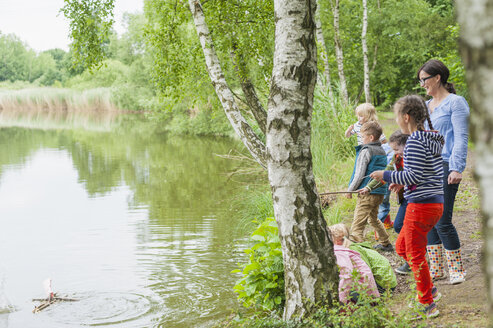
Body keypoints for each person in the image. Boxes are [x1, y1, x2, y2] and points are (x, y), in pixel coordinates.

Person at [370, 95, 444, 318]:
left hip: (420, 205)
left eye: (396, 115)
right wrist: (398, 179)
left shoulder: (413, 141)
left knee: (414, 253)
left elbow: (414, 175)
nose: (396, 120)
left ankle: (427, 303)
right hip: (434, 203)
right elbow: (422, 173)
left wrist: (385, 174)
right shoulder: (430, 137)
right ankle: (429, 288)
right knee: (403, 248)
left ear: (406, 117)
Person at [417, 59, 469, 285]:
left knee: (442, 220)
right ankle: (437, 269)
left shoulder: (456, 103)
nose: (422, 85)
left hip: (447, 165)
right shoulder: (427, 106)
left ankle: (457, 269)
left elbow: (461, 137)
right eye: (420, 81)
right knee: (428, 219)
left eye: (424, 80)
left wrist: (457, 167)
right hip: (428, 167)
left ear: (437, 78)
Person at [361, 130, 411, 274]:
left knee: (403, 226)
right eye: (393, 149)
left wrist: (400, 181)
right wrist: (368, 188)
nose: (395, 152)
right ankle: (414, 256)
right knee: (399, 225)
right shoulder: (397, 157)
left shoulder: (414, 157)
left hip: (418, 198)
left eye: (396, 149)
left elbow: (412, 176)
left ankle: (414, 259)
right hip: (407, 197)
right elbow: (387, 172)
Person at [347, 121, 392, 251]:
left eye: (362, 137)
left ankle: (359, 251)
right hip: (379, 192)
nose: (361, 139)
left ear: (371, 137)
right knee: (373, 219)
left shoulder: (366, 151)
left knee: (357, 225)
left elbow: (359, 174)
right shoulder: (382, 150)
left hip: (366, 192)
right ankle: (386, 243)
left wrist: (350, 190)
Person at [328, 223, 397, 294]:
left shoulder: (352, 250)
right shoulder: (350, 245)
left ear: (337, 240)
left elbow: (367, 271)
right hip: (386, 281)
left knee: (349, 288)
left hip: (385, 285)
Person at [329, 228, 380, 304]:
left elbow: (347, 275)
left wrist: (342, 300)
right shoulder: (345, 250)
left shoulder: (340, 253)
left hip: (363, 291)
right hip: (371, 290)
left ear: (336, 241)